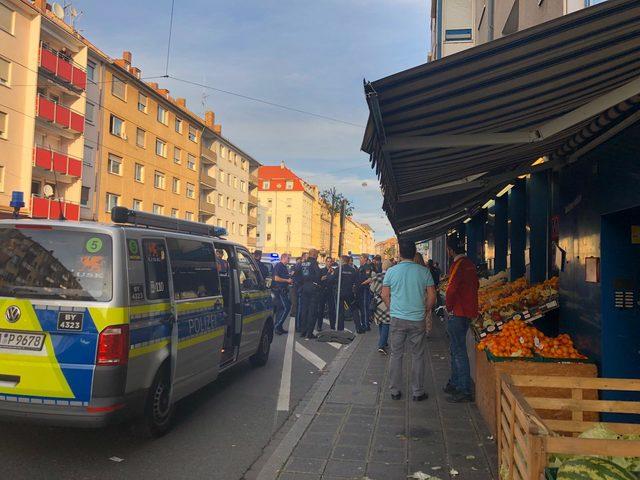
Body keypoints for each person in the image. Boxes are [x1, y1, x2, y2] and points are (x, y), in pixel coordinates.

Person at [381, 240, 436, 401]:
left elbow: (384, 295)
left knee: (396, 354)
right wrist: (425, 309)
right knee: (418, 355)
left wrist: (392, 309)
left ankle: (395, 391)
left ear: (400, 254)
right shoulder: (424, 271)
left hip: (398, 318)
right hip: (417, 318)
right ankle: (417, 392)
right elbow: (432, 295)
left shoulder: (391, 271)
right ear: (414, 253)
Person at [443, 235, 479, 403]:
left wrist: (448, 307)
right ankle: (455, 382)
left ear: (450, 250)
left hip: (458, 312)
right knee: (456, 349)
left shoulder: (458, 265)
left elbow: (450, 290)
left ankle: (463, 388)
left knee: (458, 351)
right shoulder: (470, 264)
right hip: (468, 311)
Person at [330, 255, 364, 332]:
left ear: (342, 261)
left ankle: (340, 329)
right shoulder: (353, 270)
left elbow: (331, 280)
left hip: (340, 293)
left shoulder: (338, 269)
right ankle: (358, 328)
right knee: (354, 310)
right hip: (349, 293)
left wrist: (330, 275)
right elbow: (358, 282)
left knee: (340, 311)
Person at [293, 248, 322, 339]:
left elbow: (296, 275)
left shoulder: (302, 263)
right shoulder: (314, 263)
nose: (317, 256)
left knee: (303, 310)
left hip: (303, 288)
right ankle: (309, 333)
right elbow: (318, 275)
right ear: (314, 255)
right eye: (317, 254)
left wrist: (301, 285)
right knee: (312, 311)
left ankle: (302, 331)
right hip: (312, 289)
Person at [370, 259, 392, 354]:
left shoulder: (377, 276)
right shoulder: (391, 277)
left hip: (377, 303)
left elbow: (371, 289)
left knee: (380, 322)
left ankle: (383, 341)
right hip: (386, 302)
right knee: (386, 323)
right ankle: (382, 345)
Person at [272, 253, 293, 335]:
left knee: (281, 309)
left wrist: (289, 279)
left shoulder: (284, 267)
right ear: (283, 258)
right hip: (279, 291)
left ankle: (279, 327)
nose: (289, 260)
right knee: (286, 308)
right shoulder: (279, 266)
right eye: (288, 258)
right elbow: (276, 278)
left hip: (283, 290)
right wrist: (287, 281)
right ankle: (277, 326)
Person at [358, 254, 374, 331]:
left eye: (361, 258)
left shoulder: (367, 267)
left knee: (365, 308)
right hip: (360, 290)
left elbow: (369, 279)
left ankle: (366, 325)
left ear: (365, 259)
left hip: (365, 289)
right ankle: (363, 323)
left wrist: (361, 284)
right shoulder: (360, 267)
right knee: (362, 308)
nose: (359, 260)